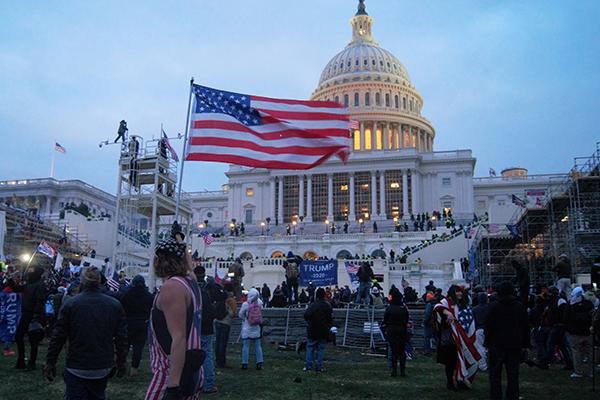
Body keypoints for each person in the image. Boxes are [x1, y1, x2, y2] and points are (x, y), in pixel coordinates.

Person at [44, 267, 128, 399]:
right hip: (102, 366)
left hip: (77, 365)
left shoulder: (71, 304)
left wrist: (50, 362)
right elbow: (121, 338)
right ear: (100, 282)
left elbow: (58, 336)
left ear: (81, 283)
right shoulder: (114, 305)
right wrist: (121, 362)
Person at [144, 239, 204, 400]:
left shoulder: (172, 287)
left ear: (161, 261)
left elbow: (178, 337)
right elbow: (190, 269)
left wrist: (173, 385)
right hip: (192, 369)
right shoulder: (191, 282)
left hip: (170, 371)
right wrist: (182, 246)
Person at [484, 282, 530, 400]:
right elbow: (525, 327)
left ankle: (496, 396)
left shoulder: (493, 307)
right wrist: (525, 344)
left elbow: (488, 327)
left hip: (496, 345)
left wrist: (487, 342)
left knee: (495, 375)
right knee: (513, 375)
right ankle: (512, 396)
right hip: (514, 345)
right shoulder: (520, 307)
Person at [434, 285, 480, 391]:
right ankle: (450, 382)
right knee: (451, 363)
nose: (459, 294)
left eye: (461, 292)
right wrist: (448, 312)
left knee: (461, 361)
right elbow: (437, 307)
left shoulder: (463, 304)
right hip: (450, 339)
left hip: (462, 338)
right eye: (457, 292)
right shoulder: (446, 302)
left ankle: (461, 381)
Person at [118, 275, 153, 376]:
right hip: (142, 324)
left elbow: (122, 307)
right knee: (138, 348)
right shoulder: (149, 296)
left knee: (125, 346)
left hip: (128, 323)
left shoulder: (126, 295)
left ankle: (122, 366)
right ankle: (134, 369)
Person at [14, 265, 47, 371]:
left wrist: (36, 316)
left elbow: (40, 301)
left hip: (34, 316)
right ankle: (21, 360)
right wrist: (11, 279)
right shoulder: (29, 284)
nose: (29, 272)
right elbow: (18, 289)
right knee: (18, 337)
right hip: (26, 315)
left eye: (31, 271)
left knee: (33, 341)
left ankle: (32, 363)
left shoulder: (40, 285)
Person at [193, 266, 218, 395]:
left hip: (194, 329)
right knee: (207, 356)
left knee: (194, 356)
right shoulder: (206, 292)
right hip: (206, 329)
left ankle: (195, 383)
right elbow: (212, 311)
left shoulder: (192, 291)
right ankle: (208, 384)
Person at [565, 286, 594, 378]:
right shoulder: (589, 304)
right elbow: (593, 316)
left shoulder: (571, 305)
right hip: (588, 332)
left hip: (575, 333)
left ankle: (578, 371)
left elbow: (565, 317)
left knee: (576, 353)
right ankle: (590, 372)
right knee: (589, 353)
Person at [303, 288, 333, 372]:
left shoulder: (313, 305)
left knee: (310, 347)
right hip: (323, 330)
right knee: (321, 349)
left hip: (312, 329)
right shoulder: (327, 305)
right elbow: (330, 318)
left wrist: (310, 322)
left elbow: (306, 315)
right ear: (324, 295)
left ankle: (308, 366)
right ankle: (319, 367)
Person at [383, 289, 409, 377]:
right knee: (402, 352)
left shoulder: (389, 308)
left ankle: (394, 371)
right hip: (402, 330)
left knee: (393, 351)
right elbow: (406, 319)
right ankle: (402, 371)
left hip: (392, 330)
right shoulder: (403, 308)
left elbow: (385, 319)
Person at [239, 288, 264, 370]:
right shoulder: (260, 303)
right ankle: (259, 363)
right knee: (258, 346)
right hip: (256, 327)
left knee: (246, 346)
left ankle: (244, 363)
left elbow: (240, 314)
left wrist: (245, 318)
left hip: (247, 327)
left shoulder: (246, 304)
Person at [214, 282, 237, 369]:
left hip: (217, 321)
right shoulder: (230, 299)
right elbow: (233, 313)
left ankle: (217, 361)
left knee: (217, 342)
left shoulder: (220, 296)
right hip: (225, 322)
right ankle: (222, 362)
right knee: (223, 344)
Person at [473, 292, 490, 371]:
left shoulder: (475, 309)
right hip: (490, 329)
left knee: (480, 348)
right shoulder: (490, 307)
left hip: (479, 329)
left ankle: (483, 366)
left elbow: (474, 321)